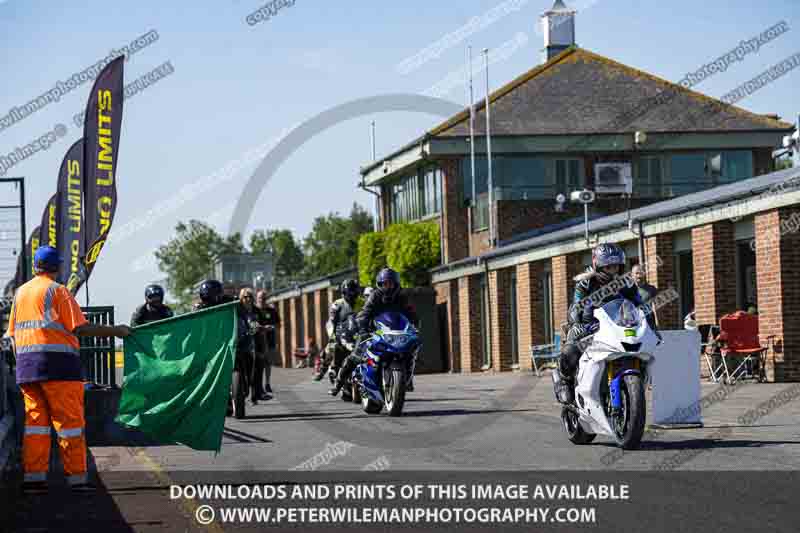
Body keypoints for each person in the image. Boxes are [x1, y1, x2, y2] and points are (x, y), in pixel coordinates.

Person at [4, 246, 131, 493]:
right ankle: (77, 480)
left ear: (36, 267)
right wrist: (116, 331)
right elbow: (80, 328)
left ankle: (34, 479)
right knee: (69, 424)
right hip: (59, 368)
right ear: (57, 267)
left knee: (35, 426)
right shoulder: (58, 291)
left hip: (27, 369)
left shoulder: (20, 293)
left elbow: (11, 334)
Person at [554, 243, 658, 405]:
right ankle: (564, 380)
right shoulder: (586, 283)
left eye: (616, 266)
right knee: (572, 346)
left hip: (617, 327)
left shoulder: (625, 284)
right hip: (591, 327)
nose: (613, 270)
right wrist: (578, 321)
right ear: (599, 266)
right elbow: (576, 307)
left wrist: (651, 326)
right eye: (609, 267)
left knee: (642, 347)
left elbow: (640, 305)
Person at [330, 268, 417, 396]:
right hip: (373, 331)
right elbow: (364, 314)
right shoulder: (375, 296)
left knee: (410, 351)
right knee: (355, 355)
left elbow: (412, 315)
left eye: (391, 283)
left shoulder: (402, 297)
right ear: (380, 284)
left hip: (394, 333)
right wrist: (364, 330)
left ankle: (406, 380)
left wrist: (414, 328)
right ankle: (338, 384)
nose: (388, 286)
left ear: (396, 284)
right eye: (385, 283)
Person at [315, 279, 360, 382]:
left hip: (357, 331)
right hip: (341, 330)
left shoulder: (362, 302)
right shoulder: (337, 304)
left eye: (353, 291)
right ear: (343, 292)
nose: (351, 294)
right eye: (349, 292)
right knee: (332, 345)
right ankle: (323, 369)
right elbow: (332, 321)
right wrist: (333, 334)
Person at [253, 289, 280, 399]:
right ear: (257, 298)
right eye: (260, 298)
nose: (262, 300)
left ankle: (267, 383)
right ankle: (256, 387)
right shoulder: (253, 310)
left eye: (264, 298)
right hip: (256, 340)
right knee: (258, 363)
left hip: (270, 339)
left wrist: (273, 327)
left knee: (268, 363)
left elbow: (278, 324)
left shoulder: (272, 310)